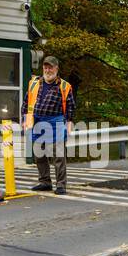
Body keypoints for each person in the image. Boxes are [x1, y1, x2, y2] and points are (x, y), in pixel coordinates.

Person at [22, 55, 75, 195]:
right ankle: (45, 182)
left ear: (56, 68)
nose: (48, 69)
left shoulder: (64, 86)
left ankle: (61, 185)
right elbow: (26, 102)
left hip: (56, 120)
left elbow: (70, 106)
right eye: (45, 67)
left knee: (58, 155)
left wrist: (69, 122)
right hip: (37, 120)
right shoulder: (34, 83)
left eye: (50, 67)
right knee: (39, 154)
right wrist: (25, 119)